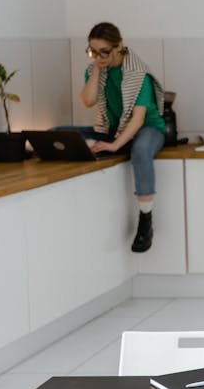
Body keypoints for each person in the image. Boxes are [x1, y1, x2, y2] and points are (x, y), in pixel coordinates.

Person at [67, 22, 166, 253]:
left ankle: (146, 219)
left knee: (140, 150)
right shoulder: (95, 70)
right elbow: (88, 101)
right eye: (93, 51)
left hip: (148, 130)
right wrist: (97, 69)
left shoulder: (138, 74)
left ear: (119, 46)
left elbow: (138, 119)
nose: (99, 57)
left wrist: (115, 146)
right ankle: (118, 147)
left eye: (105, 52)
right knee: (59, 133)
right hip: (113, 131)